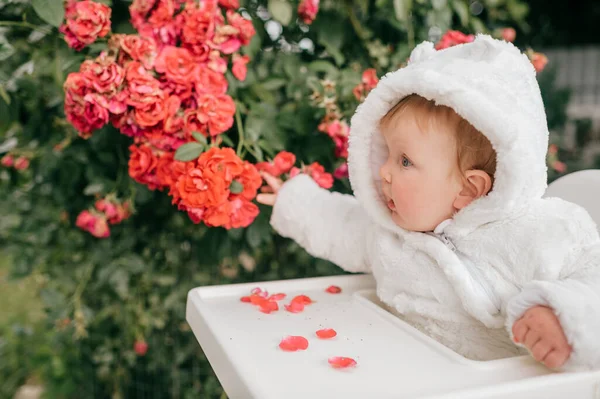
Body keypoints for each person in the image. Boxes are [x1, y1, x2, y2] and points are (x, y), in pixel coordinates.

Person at [257, 35, 600, 371]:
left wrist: (564, 315)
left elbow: (592, 275)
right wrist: (295, 200)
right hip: (407, 374)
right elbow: (338, 223)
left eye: (404, 161)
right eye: (388, 154)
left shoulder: (541, 231)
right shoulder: (386, 233)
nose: (384, 171)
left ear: (469, 188)